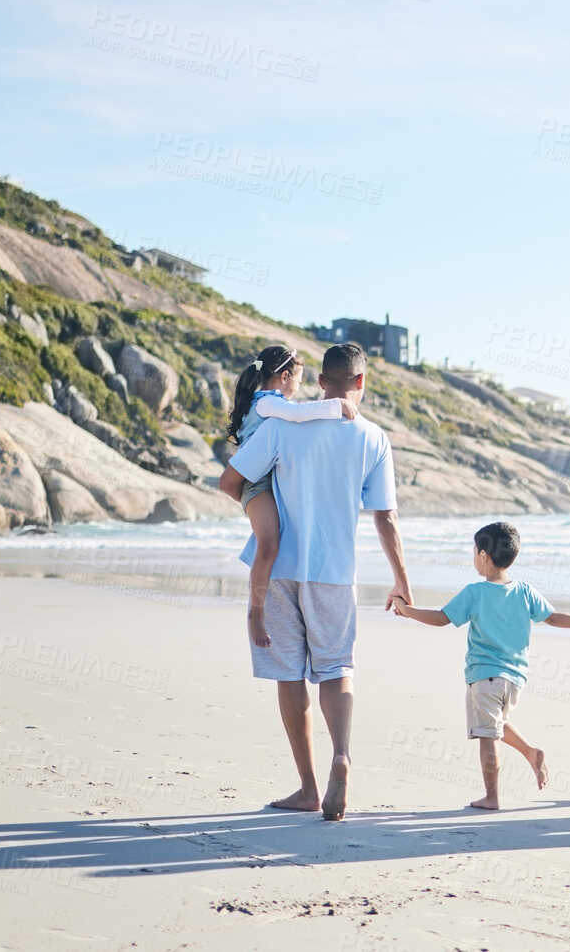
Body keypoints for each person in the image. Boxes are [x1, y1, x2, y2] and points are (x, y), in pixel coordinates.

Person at [218, 341, 409, 821]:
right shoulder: (373, 438)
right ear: (361, 382)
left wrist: (258, 511)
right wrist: (401, 580)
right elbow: (385, 518)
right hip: (335, 572)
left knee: (288, 675)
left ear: (322, 383)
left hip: (279, 566)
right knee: (336, 669)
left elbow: (234, 477)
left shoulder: (282, 425)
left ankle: (307, 787)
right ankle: (341, 755)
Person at [392, 521, 570, 810]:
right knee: (496, 724)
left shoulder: (475, 592)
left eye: (474, 551)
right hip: (516, 679)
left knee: (487, 736)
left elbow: (442, 618)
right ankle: (531, 753)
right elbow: (554, 618)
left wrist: (406, 611)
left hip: (484, 675)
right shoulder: (525, 591)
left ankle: (491, 796)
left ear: (483, 556)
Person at [226, 345, 357, 599]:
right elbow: (298, 414)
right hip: (257, 484)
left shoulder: (266, 403)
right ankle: (256, 610)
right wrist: (336, 404)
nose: (298, 385)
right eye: (298, 378)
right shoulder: (267, 403)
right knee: (268, 545)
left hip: (266, 481)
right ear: (284, 377)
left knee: (273, 541)